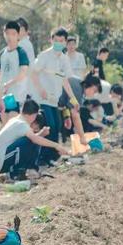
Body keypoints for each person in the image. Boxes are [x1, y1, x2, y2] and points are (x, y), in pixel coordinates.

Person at [30, 27, 86, 165]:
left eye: (61, 41)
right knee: (50, 127)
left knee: (58, 126)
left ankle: (52, 157)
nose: (58, 43)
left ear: (65, 42)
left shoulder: (64, 59)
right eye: (56, 40)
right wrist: (40, 89)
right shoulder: (44, 56)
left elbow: (65, 80)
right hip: (42, 99)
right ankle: (43, 158)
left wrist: (73, 99)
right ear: (51, 40)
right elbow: (33, 73)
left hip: (54, 100)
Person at [0, 99, 68, 179]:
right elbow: (34, 139)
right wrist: (56, 145)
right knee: (32, 140)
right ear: (34, 115)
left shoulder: (16, 120)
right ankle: (16, 173)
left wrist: (41, 134)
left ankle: (28, 170)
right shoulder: (21, 124)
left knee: (33, 139)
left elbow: (34, 138)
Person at [0, 21, 30, 121]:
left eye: (13, 34)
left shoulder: (21, 52)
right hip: (3, 96)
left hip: (16, 96)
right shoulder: (2, 53)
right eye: (7, 33)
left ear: (18, 35)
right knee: (4, 127)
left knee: (12, 125)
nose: (9, 37)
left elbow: (23, 73)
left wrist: (8, 84)